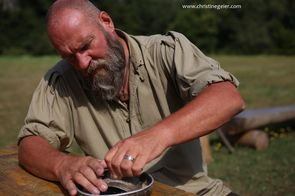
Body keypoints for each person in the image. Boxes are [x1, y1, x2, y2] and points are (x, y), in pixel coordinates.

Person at [17, 0, 244, 195]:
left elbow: (227, 98)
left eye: (86, 45)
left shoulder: (166, 51)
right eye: (68, 56)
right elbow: (31, 143)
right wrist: (62, 164)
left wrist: (158, 135)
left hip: (194, 192)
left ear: (106, 22)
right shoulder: (62, 79)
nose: (83, 63)